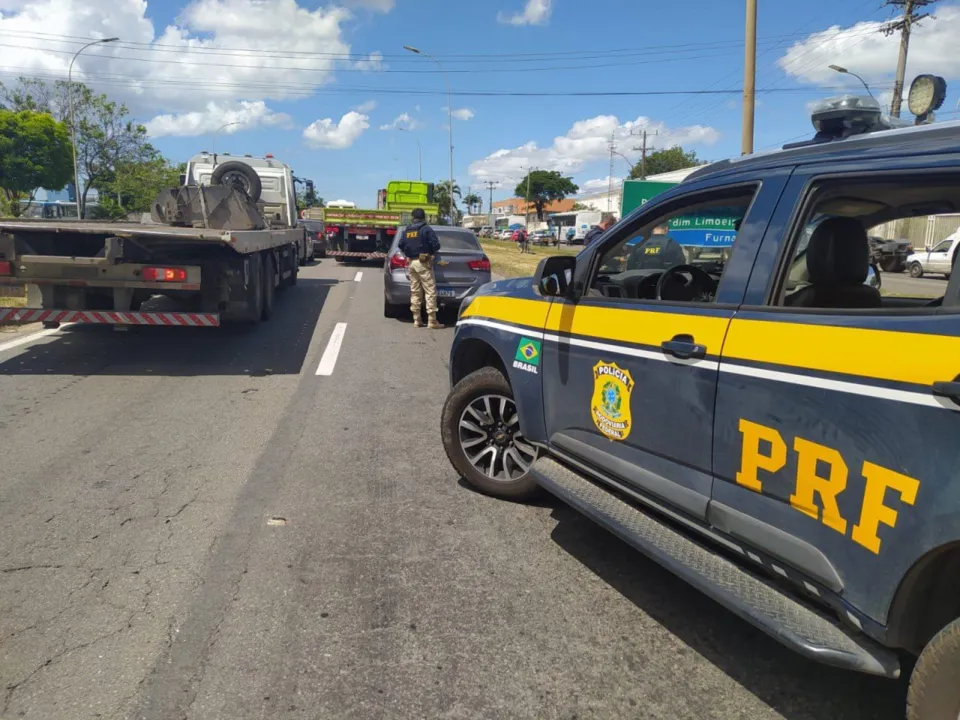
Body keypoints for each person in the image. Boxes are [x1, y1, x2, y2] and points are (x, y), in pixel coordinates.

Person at [398, 208, 443, 329]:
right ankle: (432, 321)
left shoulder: (407, 230)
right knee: (430, 291)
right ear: (424, 217)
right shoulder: (426, 229)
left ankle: (417, 320)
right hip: (423, 262)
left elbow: (400, 245)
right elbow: (436, 245)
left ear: (413, 217)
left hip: (411, 263)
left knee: (415, 291)